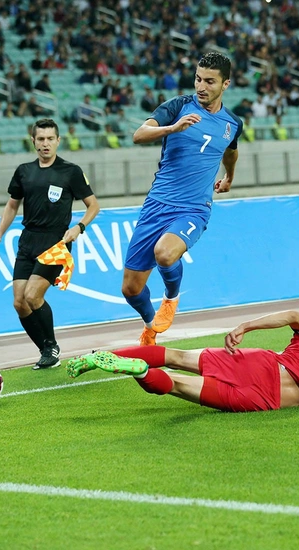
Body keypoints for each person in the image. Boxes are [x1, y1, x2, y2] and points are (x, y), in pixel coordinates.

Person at [124, 52, 242, 346]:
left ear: (225, 84)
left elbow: (230, 150)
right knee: (130, 289)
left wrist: (229, 177)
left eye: (210, 81)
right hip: (157, 205)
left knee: (165, 253)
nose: (201, 86)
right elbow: (139, 135)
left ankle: (171, 297)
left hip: (193, 209)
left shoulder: (232, 123)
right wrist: (171, 128)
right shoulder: (178, 106)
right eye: (198, 79)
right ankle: (151, 325)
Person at [66, 310, 299, 412]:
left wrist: (246, 327)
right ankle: (141, 373)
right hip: (265, 399)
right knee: (178, 385)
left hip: (264, 364)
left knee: (177, 357)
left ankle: (99, 357)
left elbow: (293, 316)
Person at [0, 119, 101, 369]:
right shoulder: (23, 171)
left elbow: (94, 205)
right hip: (28, 241)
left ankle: (52, 346)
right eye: (41, 139)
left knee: (32, 295)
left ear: (58, 140)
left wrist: (79, 227)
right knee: (19, 302)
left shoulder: (70, 171)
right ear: (33, 141)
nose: (45, 144)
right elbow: (12, 205)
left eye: (50, 139)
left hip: (56, 243)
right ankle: (46, 350)